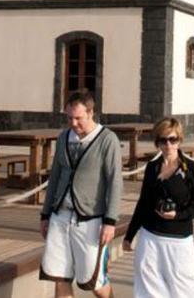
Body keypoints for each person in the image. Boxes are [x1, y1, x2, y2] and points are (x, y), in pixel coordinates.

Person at [39, 89, 123, 297]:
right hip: (60, 216)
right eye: (69, 118)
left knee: (94, 282)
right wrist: (45, 214)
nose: (73, 123)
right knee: (59, 276)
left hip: (90, 219)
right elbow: (55, 178)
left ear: (90, 113)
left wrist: (110, 221)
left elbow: (115, 182)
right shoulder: (63, 138)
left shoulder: (107, 139)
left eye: (78, 118)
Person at [123, 117, 194, 298]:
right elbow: (143, 203)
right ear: (157, 143)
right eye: (163, 140)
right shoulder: (152, 168)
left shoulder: (191, 169)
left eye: (173, 139)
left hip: (178, 240)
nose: (168, 145)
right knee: (148, 287)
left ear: (179, 140)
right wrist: (129, 235)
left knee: (183, 289)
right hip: (149, 237)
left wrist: (177, 215)